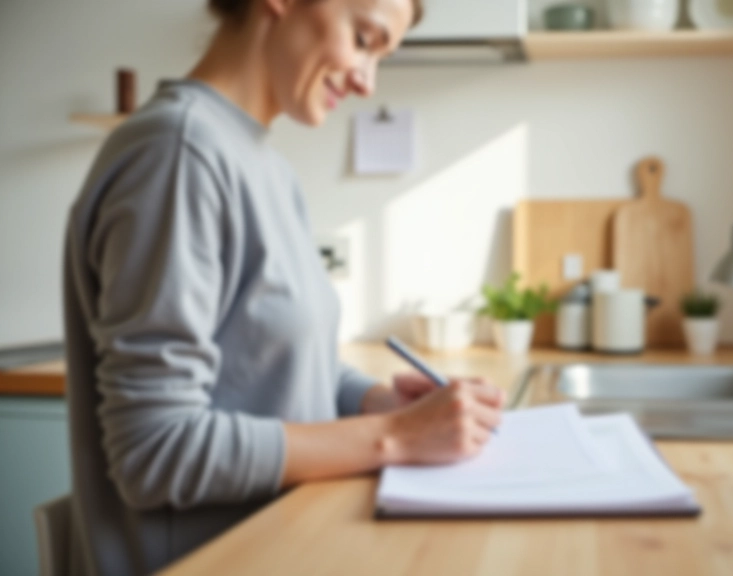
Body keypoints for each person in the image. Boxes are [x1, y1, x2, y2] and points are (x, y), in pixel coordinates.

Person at [62, 0, 504, 573]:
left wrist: (380, 402)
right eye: (365, 39)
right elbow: (156, 450)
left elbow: (279, 363)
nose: (368, 82)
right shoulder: (178, 154)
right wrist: (393, 436)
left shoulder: (265, 166)